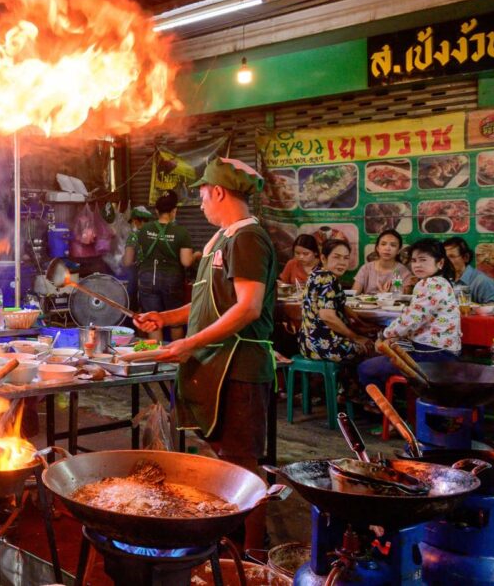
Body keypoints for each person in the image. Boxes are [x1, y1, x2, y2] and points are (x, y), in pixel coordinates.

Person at [133, 157, 276, 551]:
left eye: (201, 193)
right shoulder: (222, 239)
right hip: (216, 365)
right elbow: (203, 307)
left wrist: (189, 343)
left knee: (244, 464)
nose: (199, 203)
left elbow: (248, 308)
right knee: (222, 458)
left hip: (240, 366)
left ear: (218, 192)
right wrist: (164, 317)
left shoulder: (247, 238)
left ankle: (253, 549)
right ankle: (228, 536)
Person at [358, 238, 461, 394]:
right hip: (440, 352)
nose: (417, 265)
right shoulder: (441, 282)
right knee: (383, 354)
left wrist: (384, 333)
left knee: (366, 368)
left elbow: (411, 320)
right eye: (414, 260)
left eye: (423, 260)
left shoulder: (431, 283)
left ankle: (384, 411)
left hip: (432, 355)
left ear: (440, 263)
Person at [298, 239, 373, 399]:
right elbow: (328, 316)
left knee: (366, 338)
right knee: (370, 347)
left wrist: (361, 323)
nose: (342, 262)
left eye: (346, 258)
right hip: (324, 345)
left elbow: (340, 304)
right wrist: (356, 336)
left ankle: (344, 391)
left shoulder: (317, 274)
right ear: (324, 258)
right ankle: (360, 397)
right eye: (337, 257)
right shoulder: (328, 279)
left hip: (308, 343)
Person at [122, 191, 197, 341]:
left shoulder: (142, 230)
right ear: (175, 210)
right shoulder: (181, 232)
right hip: (172, 281)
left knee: (151, 322)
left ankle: (156, 360)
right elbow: (186, 262)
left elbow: (127, 261)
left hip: (147, 280)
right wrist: (197, 255)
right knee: (175, 322)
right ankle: (175, 360)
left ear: (156, 211)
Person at [352, 230, 411, 294]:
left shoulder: (404, 272)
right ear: (377, 248)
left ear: (398, 250)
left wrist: (385, 296)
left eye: (393, 245)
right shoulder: (366, 269)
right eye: (383, 244)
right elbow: (354, 295)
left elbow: (405, 299)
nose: (387, 248)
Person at [443, 237, 494, 305]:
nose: (446, 261)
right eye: (445, 257)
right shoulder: (443, 279)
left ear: (466, 257)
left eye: (452, 256)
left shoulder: (482, 281)